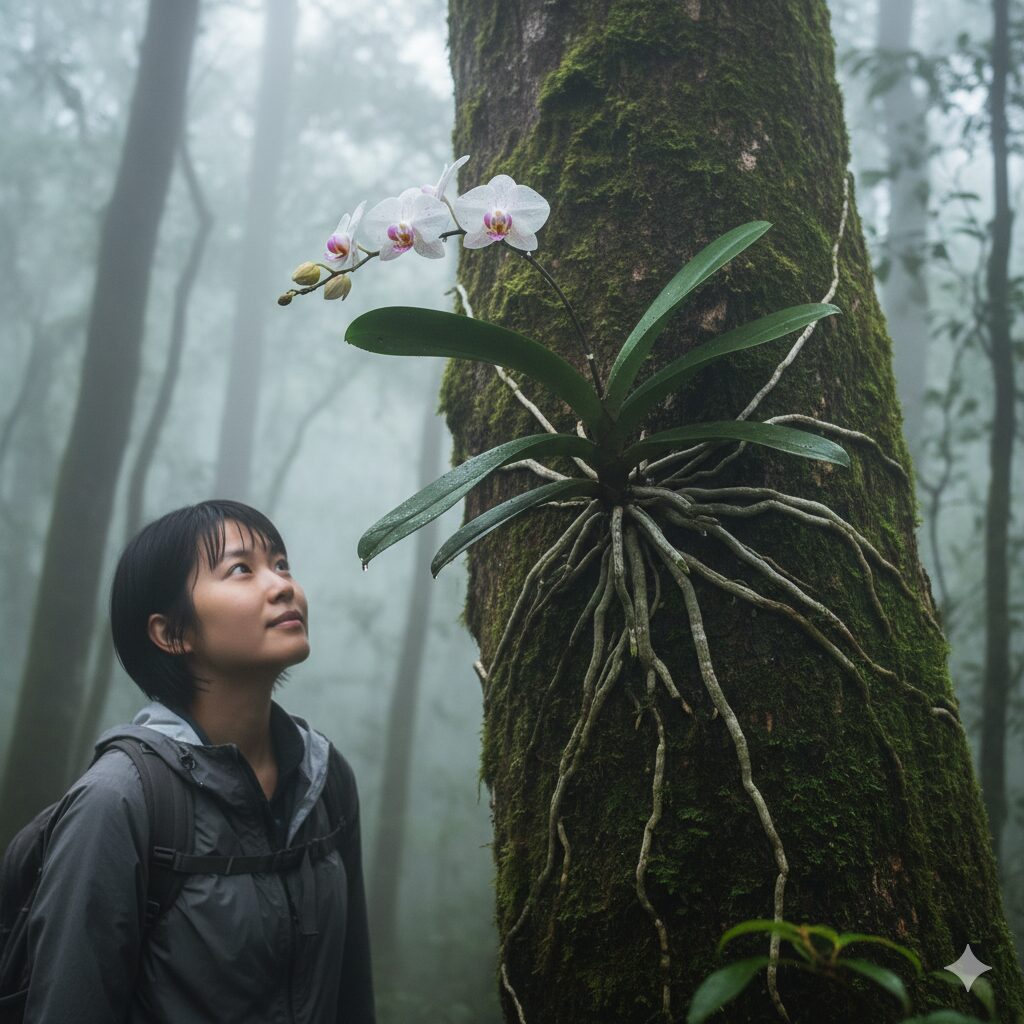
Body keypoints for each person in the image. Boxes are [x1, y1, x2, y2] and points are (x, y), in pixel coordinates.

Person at [22, 499, 375, 1023]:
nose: (282, 586)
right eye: (241, 569)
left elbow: (351, 996)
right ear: (172, 634)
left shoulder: (325, 780)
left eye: (281, 565)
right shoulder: (118, 802)